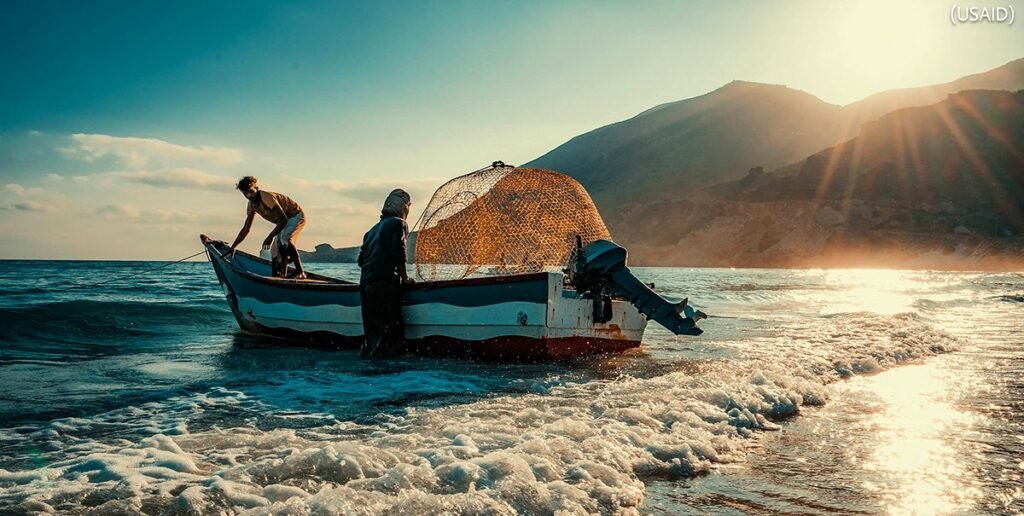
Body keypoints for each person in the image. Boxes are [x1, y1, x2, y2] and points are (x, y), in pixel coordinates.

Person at [357, 188, 413, 359]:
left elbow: (361, 260)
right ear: (403, 208)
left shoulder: (371, 231)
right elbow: (399, 252)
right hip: (386, 284)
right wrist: (405, 277)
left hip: (366, 285)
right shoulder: (398, 223)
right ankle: (391, 362)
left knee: (373, 331)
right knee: (391, 328)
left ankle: (371, 358)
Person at [228, 176, 307, 279]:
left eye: (251, 191)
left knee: (284, 239)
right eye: (245, 193)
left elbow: (283, 219)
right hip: (284, 222)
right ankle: (279, 275)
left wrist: (270, 236)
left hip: (295, 216)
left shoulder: (266, 197)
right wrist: (233, 247)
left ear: (257, 188)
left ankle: (300, 272)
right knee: (275, 249)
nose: (249, 195)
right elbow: (245, 229)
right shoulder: (251, 205)